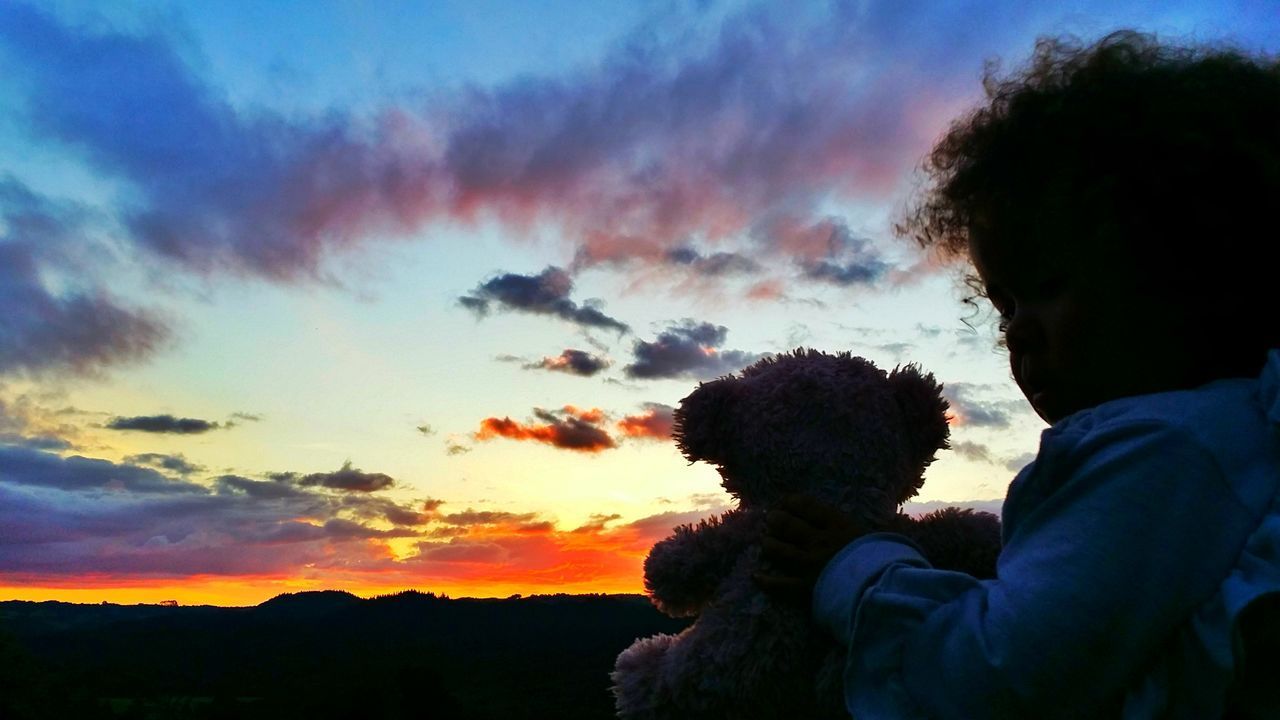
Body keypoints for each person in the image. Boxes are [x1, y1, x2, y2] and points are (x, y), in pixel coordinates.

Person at [755, 30, 1280, 718]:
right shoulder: (1231, 438)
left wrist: (858, 570)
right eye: (1004, 303)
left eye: (1051, 283)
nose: (1018, 329)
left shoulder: (1163, 450)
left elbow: (987, 679)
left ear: (1196, 264)